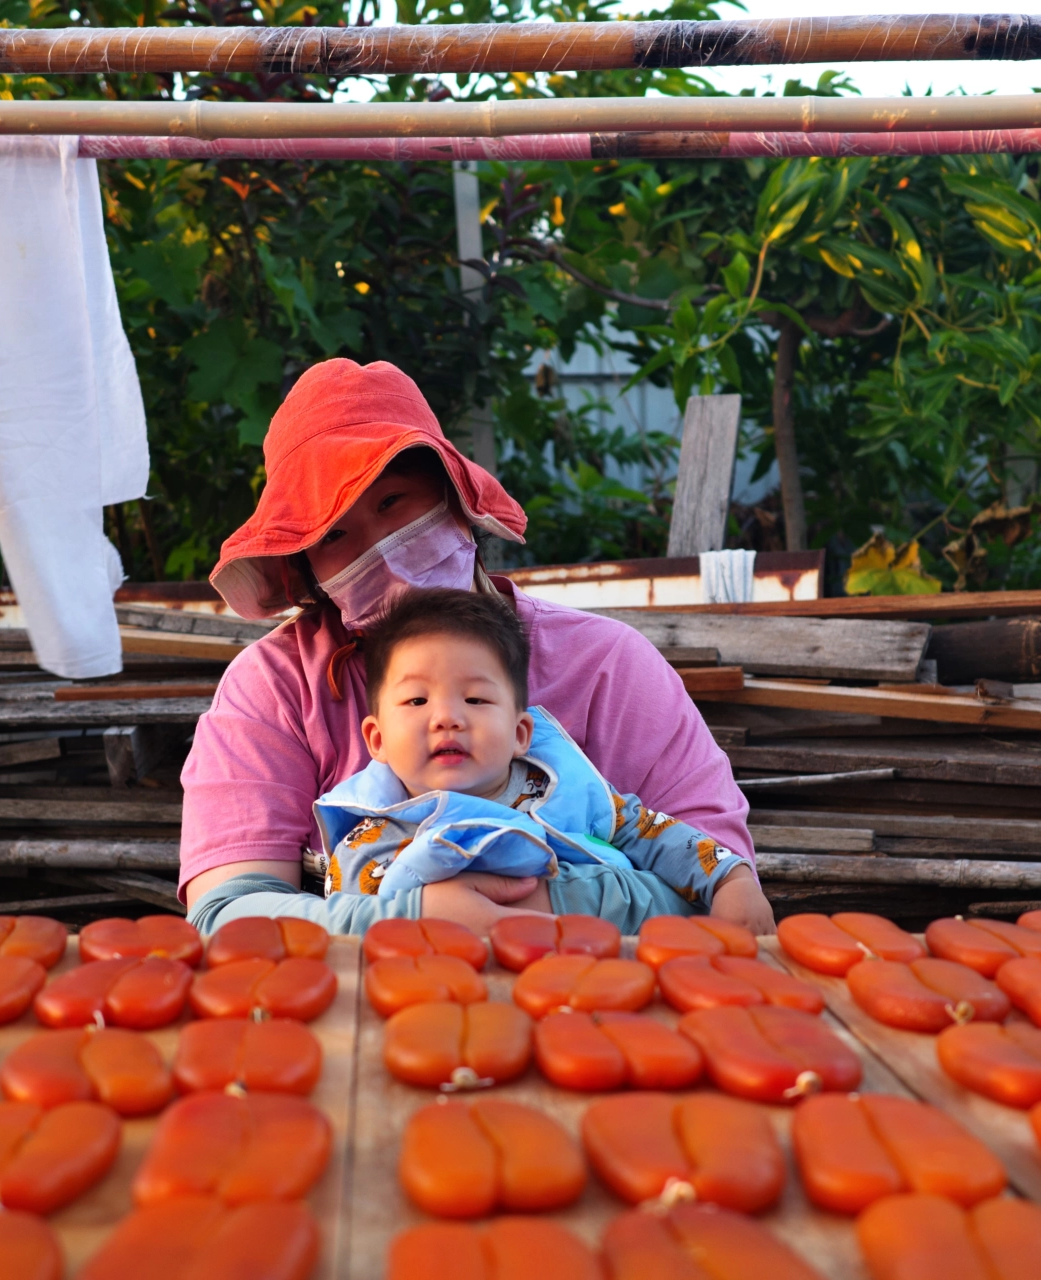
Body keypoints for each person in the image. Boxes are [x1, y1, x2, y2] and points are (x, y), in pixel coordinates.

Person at [179, 357, 774, 937]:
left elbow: (724, 892)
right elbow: (227, 915)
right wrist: (407, 920)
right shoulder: (277, 689)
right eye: (332, 534)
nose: (379, 548)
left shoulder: (607, 667)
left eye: (393, 503)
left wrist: (550, 902)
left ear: (455, 499)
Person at [315, 588, 750, 909]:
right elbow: (350, 935)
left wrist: (730, 881)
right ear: (377, 740)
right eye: (417, 701)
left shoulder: (569, 789)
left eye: (475, 700)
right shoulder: (366, 843)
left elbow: (657, 835)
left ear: (521, 732)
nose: (447, 718)